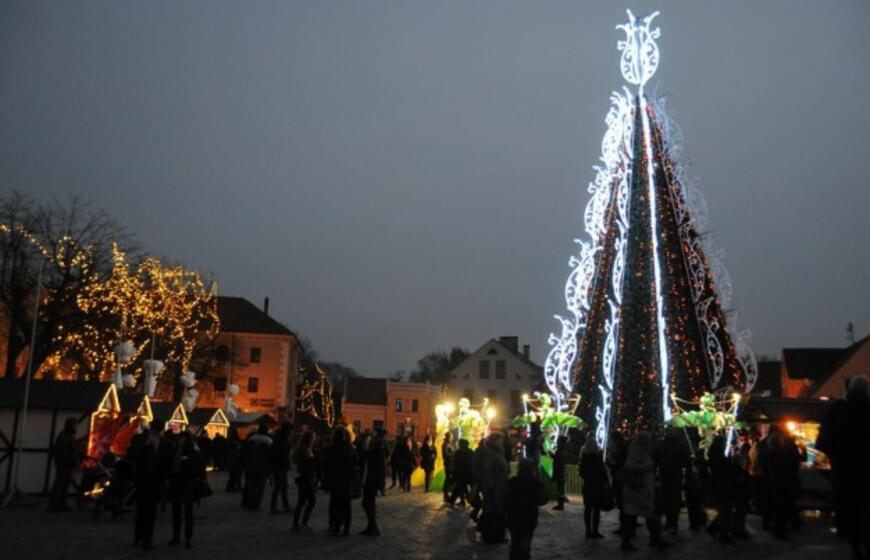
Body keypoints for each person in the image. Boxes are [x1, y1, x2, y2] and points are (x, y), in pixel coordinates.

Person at [818, 375, 870, 558]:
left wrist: (835, 455)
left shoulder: (837, 410)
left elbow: (822, 442)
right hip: (866, 471)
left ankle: (855, 547)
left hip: (844, 470)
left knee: (849, 508)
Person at [619, 431, 669, 552]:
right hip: (637, 490)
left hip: (643, 490)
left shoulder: (644, 451)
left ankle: (655, 539)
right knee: (638, 516)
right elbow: (629, 467)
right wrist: (646, 468)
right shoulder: (636, 451)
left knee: (650, 515)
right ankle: (629, 541)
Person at [164, 430, 206, 548]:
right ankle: (179, 537)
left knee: (186, 513)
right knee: (178, 513)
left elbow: (197, 469)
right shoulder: (177, 451)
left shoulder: (190, 452)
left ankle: (186, 538)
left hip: (186, 484)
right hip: (181, 484)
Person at [504, 459, 548, 560]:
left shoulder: (513, 482)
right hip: (529, 517)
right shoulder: (535, 484)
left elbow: (505, 499)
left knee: (515, 542)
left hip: (514, 517)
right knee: (525, 542)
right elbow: (543, 499)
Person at [129, 425, 163, 550]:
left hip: (149, 483)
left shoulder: (158, 444)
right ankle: (143, 539)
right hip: (146, 482)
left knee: (145, 512)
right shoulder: (144, 444)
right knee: (145, 513)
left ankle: (142, 538)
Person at [476, 432, 510, 544]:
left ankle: (497, 534)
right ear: (494, 441)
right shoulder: (490, 453)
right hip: (493, 488)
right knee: (493, 511)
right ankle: (491, 535)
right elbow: (486, 471)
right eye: (500, 440)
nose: (502, 442)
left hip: (500, 487)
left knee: (498, 511)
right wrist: (489, 486)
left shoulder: (497, 452)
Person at [325, 426, 357, 536]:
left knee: (334, 503)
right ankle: (346, 527)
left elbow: (326, 465)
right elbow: (354, 465)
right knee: (346, 505)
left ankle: (334, 525)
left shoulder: (331, 448)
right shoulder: (349, 448)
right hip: (346, 480)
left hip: (335, 479)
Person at [658, 426, 690, 533]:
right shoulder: (664, 444)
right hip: (667, 475)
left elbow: (686, 459)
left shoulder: (677, 445)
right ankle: (669, 521)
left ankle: (673, 522)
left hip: (674, 475)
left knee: (674, 500)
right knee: (668, 499)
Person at [47, 417, 80, 512]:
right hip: (63, 464)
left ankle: (61, 504)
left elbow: (73, 450)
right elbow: (64, 452)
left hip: (67, 464)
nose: (76, 427)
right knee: (59, 485)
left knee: (64, 485)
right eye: (75, 425)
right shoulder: (64, 436)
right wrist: (73, 461)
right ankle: (54, 506)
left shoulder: (69, 436)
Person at [579, 436, 607, 539]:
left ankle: (588, 531)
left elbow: (581, 473)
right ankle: (595, 530)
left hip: (588, 486)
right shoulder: (598, 457)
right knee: (596, 510)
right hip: (598, 486)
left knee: (588, 509)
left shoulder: (584, 459)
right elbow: (603, 472)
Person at [360, 428, 387, 536]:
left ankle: (374, 527)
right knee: (370, 503)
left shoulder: (377, 446)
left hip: (372, 479)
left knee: (366, 502)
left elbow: (372, 460)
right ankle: (371, 527)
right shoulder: (378, 445)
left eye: (374, 432)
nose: (372, 433)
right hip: (373, 478)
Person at [242, 423, 272, 510]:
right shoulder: (268, 441)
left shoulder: (251, 439)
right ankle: (256, 504)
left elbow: (246, 452)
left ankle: (249, 502)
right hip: (262, 468)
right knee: (260, 487)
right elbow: (270, 456)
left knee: (250, 485)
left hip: (250, 466)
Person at [292, 431, 317, 530]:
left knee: (304, 501)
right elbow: (306, 463)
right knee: (305, 501)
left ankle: (299, 522)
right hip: (306, 478)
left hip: (306, 477)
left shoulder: (305, 449)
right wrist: (313, 462)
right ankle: (300, 523)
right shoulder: (304, 450)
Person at [270, 422, 293, 515]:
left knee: (283, 486)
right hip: (279, 465)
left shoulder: (282, 438)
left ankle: (285, 505)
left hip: (282, 465)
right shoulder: (280, 439)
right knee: (279, 486)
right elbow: (277, 453)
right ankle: (274, 506)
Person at [448, 438, 474, 506]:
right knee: (461, 487)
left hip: (462, 473)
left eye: (460, 444)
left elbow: (456, 463)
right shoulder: (469, 452)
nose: (459, 445)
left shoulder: (460, 452)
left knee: (460, 487)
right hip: (464, 473)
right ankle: (461, 500)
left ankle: (456, 500)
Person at [551, 435, 567, 510]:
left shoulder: (560, 450)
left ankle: (560, 505)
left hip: (559, 472)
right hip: (561, 472)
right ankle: (560, 504)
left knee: (560, 489)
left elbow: (557, 460)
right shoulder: (563, 450)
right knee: (560, 489)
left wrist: (552, 455)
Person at [225, 427, 243, 492]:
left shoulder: (228, 441)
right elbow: (239, 449)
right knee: (236, 476)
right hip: (236, 460)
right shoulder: (236, 442)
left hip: (231, 461)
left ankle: (230, 487)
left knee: (232, 476)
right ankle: (235, 487)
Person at [441, 432, 456, 503]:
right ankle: (445, 493)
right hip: (448, 463)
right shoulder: (446, 444)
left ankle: (447, 492)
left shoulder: (450, 444)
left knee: (450, 478)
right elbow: (445, 454)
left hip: (452, 463)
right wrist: (454, 454)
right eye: (452, 436)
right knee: (448, 478)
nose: (453, 437)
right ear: (449, 436)